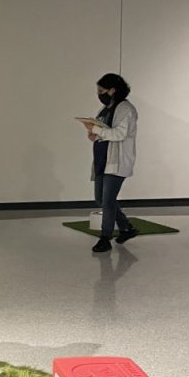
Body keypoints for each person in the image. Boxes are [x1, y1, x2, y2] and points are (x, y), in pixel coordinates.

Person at [79, 73, 139, 253]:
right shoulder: (105, 109)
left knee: (107, 201)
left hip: (116, 161)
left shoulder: (125, 109)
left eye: (101, 90)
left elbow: (120, 134)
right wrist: (94, 134)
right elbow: (104, 132)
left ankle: (105, 238)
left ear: (113, 90)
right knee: (101, 199)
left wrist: (96, 129)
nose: (99, 94)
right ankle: (126, 228)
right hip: (101, 160)